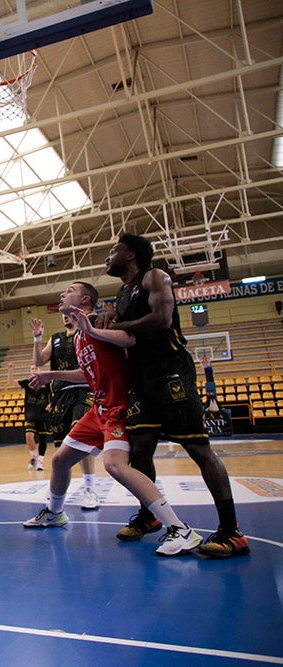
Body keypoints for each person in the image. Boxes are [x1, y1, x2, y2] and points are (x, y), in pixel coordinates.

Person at [22, 282, 202, 557]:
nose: (61, 294)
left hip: (120, 407)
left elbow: (130, 339)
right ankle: (55, 513)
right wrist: (50, 375)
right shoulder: (80, 336)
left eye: (68, 290)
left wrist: (94, 330)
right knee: (60, 460)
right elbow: (88, 374)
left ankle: (180, 529)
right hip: (99, 409)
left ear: (84, 300)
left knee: (114, 466)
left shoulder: (98, 322)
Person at [101, 233, 248, 558]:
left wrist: (119, 323)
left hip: (170, 371)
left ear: (130, 254)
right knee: (140, 449)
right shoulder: (123, 292)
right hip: (141, 377)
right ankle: (149, 515)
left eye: (113, 250)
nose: (108, 256)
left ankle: (232, 531)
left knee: (197, 447)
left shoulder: (155, 277)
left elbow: (161, 319)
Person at [31, 314, 99, 510]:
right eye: (63, 313)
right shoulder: (56, 337)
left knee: (81, 440)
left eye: (69, 312)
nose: (65, 316)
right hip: (61, 394)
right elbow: (39, 360)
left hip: (84, 390)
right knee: (63, 447)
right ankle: (58, 488)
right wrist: (37, 339)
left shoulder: (86, 333)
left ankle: (90, 489)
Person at [9, 362, 51, 471]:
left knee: (43, 439)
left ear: (40, 370)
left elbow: (55, 393)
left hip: (44, 415)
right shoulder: (27, 383)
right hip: (31, 415)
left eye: (36, 368)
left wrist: (52, 403)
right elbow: (11, 384)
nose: (34, 370)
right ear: (30, 371)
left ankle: (40, 461)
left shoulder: (47, 382)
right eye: (32, 368)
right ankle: (33, 456)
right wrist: (10, 371)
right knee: (29, 435)